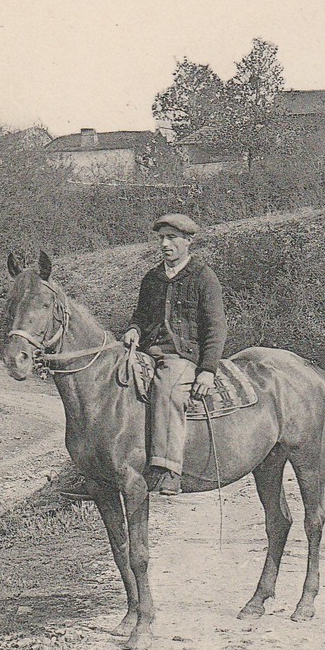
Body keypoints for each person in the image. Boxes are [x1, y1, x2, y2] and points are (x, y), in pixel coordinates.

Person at [122, 212, 227, 495]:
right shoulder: (152, 278)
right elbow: (141, 316)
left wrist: (207, 369)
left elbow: (216, 327)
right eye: (161, 239)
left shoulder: (204, 277)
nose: (165, 244)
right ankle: (107, 466)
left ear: (188, 241)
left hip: (182, 356)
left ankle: (168, 470)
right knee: (115, 383)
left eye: (172, 238)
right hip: (146, 351)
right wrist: (134, 329)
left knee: (167, 390)